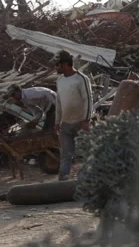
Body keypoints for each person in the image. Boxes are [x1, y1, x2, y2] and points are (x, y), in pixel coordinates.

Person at [53, 50, 93, 181]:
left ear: (64, 64)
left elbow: (88, 99)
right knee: (65, 154)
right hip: (66, 123)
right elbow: (58, 102)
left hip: (80, 122)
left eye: (57, 64)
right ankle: (63, 178)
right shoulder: (60, 80)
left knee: (82, 153)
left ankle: (84, 180)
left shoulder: (81, 79)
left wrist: (87, 120)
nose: (56, 67)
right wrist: (57, 121)